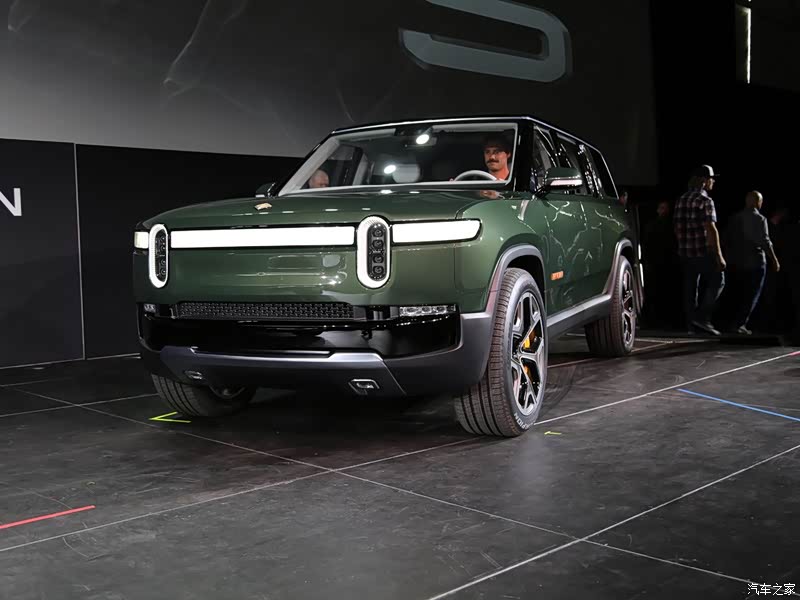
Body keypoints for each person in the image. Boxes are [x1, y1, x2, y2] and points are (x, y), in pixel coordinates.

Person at [673, 165, 726, 335]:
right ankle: (702, 318)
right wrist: (719, 256)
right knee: (719, 280)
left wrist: (682, 246)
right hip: (702, 251)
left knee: (690, 288)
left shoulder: (681, 199)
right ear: (704, 180)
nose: (713, 181)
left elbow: (677, 227)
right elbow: (711, 229)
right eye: (711, 178)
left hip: (685, 253)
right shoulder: (705, 200)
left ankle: (692, 326)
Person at [723, 191, 780, 334]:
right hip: (755, 262)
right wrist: (774, 259)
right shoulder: (760, 219)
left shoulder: (735, 218)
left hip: (737, 262)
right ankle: (740, 324)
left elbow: (727, 240)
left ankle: (730, 323)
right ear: (757, 202)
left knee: (738, 294)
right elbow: (765, 241)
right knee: (752, 295)